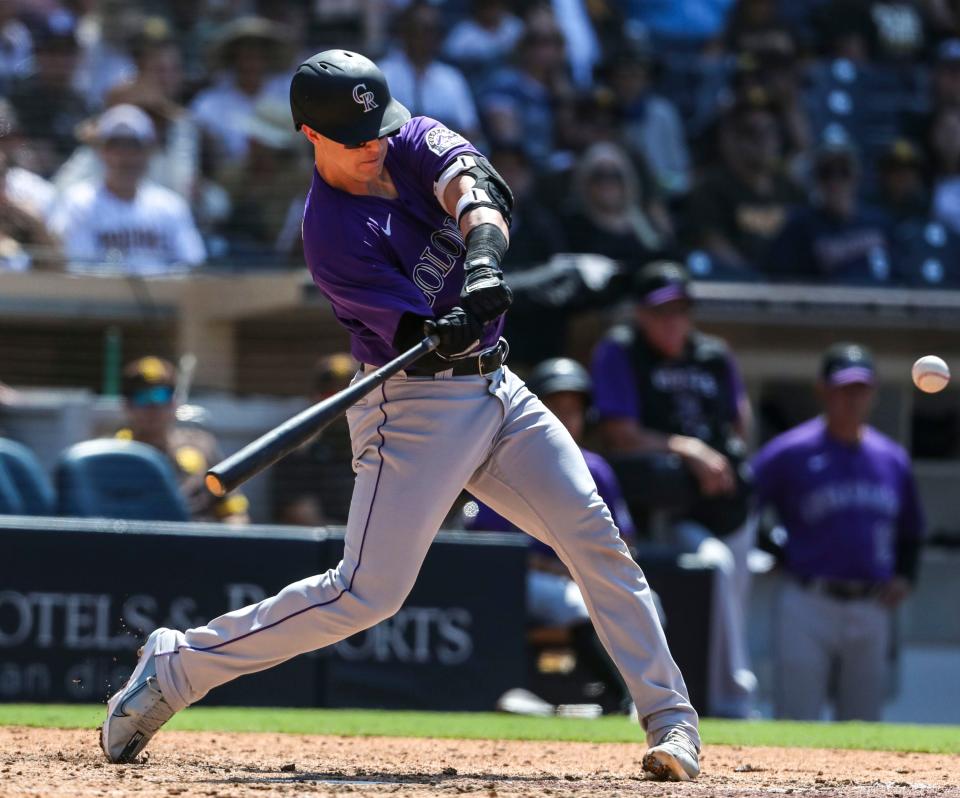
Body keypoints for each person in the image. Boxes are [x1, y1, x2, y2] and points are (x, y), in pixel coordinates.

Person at [100, 49, 701, 782]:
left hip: (499, 388)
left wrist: (482, 261)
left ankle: (671, 724)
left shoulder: (408, 137)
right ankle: (177, 665)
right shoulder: (329, 235)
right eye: (357, 138)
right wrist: (443, 324)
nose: (377, 144)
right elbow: (417, 342)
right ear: (311, 138)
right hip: (413, 404)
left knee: (595, 536)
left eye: (378, 126)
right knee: (365, 594)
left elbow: (482, 192)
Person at [590, 261, 757, 719]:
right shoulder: (621, 351)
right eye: (661, 311)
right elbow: (618, 433)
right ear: (640, 315)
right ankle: (727, 702)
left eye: (681, 310)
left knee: (733, 599)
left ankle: (731, 701)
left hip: (723, 502)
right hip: (660, 507)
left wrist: (721, 457)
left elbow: (739, 421)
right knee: (712, 571)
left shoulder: (713, 355)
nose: (673, 321)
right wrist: (687, 449)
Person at [751, 343, 925, 720]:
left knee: (863, 722)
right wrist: (776, 550)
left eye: (860, 389)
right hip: (808, 599)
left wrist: (906, 575)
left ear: (873, 392)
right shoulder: (791, 451)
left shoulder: (891, 458)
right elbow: (744, 503)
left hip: (872, 604)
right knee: (797, 716)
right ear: (823, 390)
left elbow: (912, 528)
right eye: (844, 388)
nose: (852, 398)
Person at [464, 357, 638, 712]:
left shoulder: (597, 468)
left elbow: (627, 542)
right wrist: (558, 566)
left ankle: (623, 697)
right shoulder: (507, 460)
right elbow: (489, 548)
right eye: (556, 407)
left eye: (573, 409)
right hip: (524, 580)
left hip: (582, 574)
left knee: (647, 602)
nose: (566, 417)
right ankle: (624, 700)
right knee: (576, 601)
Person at [47, 104, 206, 274]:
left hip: (162, 299)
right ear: (102, 151)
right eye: (115, 145)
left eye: (134, 146)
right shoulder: (78, 202)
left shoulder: (171, 206)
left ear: (149, 150)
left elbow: (192, 265)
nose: (125, 156)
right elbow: (76, 268)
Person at [115, 356, 250, 525]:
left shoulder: (202, 446)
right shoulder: (114, 454)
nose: (154, 406)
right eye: (143, 397)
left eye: (162, 395)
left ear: (174, 401)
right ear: (126, 405)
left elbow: (233, 512)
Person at [685, 90, 804, 276]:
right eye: (753, 133)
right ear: (734, 139)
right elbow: (714, 244)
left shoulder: (791, 189)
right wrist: (757, 281)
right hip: (739, 293)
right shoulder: (711, 189)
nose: (765, 141)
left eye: (770, 131)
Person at [764, 139, 893, 283]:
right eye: (826, 172)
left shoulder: (880, 223)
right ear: (815, 179)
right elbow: (782, 281)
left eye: (844, 171)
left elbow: (901, 277)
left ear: (856, 176)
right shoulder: (798, 228)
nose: (835, 181)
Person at [272, 353, 358, 526]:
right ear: (315, 397)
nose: (342, 406)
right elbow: (298, 511)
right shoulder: (298, 449)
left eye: (351, 396)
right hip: (324, 545)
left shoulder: (381, 445)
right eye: (330, 394)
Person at [379, 2, 480, 142]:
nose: (425, 37)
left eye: (431, 31)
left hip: (443, 157)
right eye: (418, 29)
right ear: (404, 32)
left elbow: (470, 131)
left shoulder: (451, 78)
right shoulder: (383, 74)